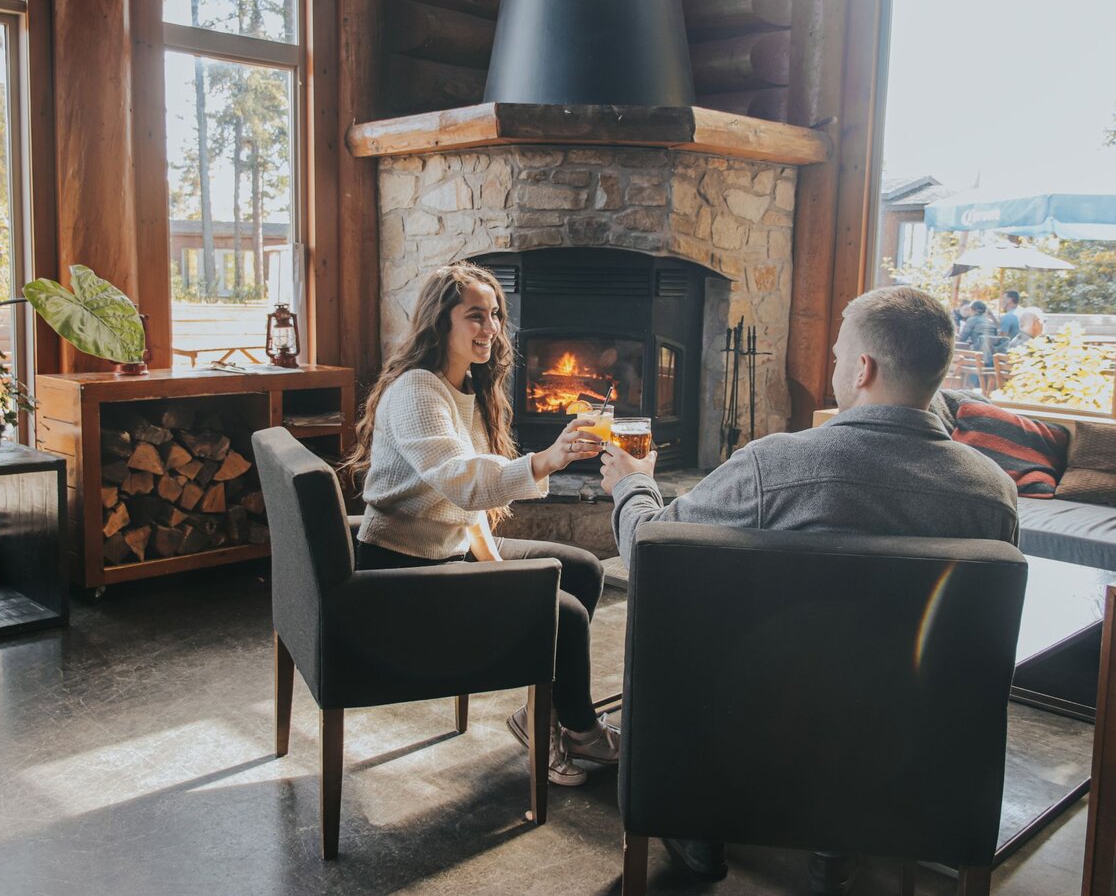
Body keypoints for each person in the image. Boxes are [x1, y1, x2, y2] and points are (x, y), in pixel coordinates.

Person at [599, 286, 1017, 892]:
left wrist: (632, 484)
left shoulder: (774, 466)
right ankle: (836, 844)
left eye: (839, 354)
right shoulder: (994, 492)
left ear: (863, 369)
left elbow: (650, 548)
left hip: (762, 726)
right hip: (911, 746)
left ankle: (700, 820)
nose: (835, 365)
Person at [342, 262, 620, 788]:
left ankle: (541, 718)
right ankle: (581, 730)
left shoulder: (465, 385)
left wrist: (490, 559)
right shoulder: (417, 391)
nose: (490, 327)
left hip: (451, 548)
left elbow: (464, 501)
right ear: (439, 321)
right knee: (564, 614)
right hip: (403, 570)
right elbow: (462, 481)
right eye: (475, 315)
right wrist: (549, 459)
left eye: (494, 315)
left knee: (584, 569)